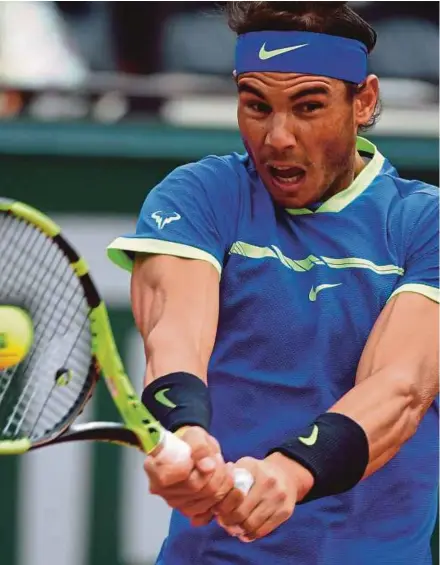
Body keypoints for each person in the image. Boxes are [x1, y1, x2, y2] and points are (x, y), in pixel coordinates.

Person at [107, 2, 439, 564]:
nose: (278, 137)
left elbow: (400, 386)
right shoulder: (200, 195)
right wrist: (185, 432)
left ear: (364, 101)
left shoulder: (424, 224)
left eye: (308, 106)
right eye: (256, 106)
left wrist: (290, 473)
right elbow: (174, 339)